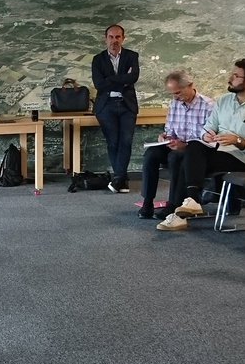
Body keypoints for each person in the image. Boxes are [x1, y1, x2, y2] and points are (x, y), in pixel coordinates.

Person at [157, 59, 245, 232]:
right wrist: (207, 135)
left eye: (236, 76)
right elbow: (208, 127)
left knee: (189, 158)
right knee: (193, 148)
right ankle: (189, 204)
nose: (230, 78)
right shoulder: (223, 101)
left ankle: (182, 210)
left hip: (240, 156)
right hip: (218, 150)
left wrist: (238, 140)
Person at [138, 70, 213, 219]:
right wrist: (165, 136)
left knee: (175, 157)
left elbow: (208, 138)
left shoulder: (208, 106)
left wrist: (184, 145)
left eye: (178, 93)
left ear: (190, 86)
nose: (175, 97)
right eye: (172, 94)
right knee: (151, 154)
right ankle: (147, 202)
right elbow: (170, 129)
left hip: (195, 151)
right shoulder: (175, 104)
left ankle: (173, 204)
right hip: (175, 145)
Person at [91, 23, 140, 193]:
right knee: (113, 142)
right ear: (106, 39)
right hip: (106, 106)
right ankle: (122, 179)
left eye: (118, 37)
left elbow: (133, 77)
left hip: (127, 105)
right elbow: (99, 84)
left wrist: (110, 80)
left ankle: (118, 178)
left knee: (126, 141)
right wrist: (122, 79)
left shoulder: (132, 56)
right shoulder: (98, 59)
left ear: (123, 38)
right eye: (111, 37)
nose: (114, 40)